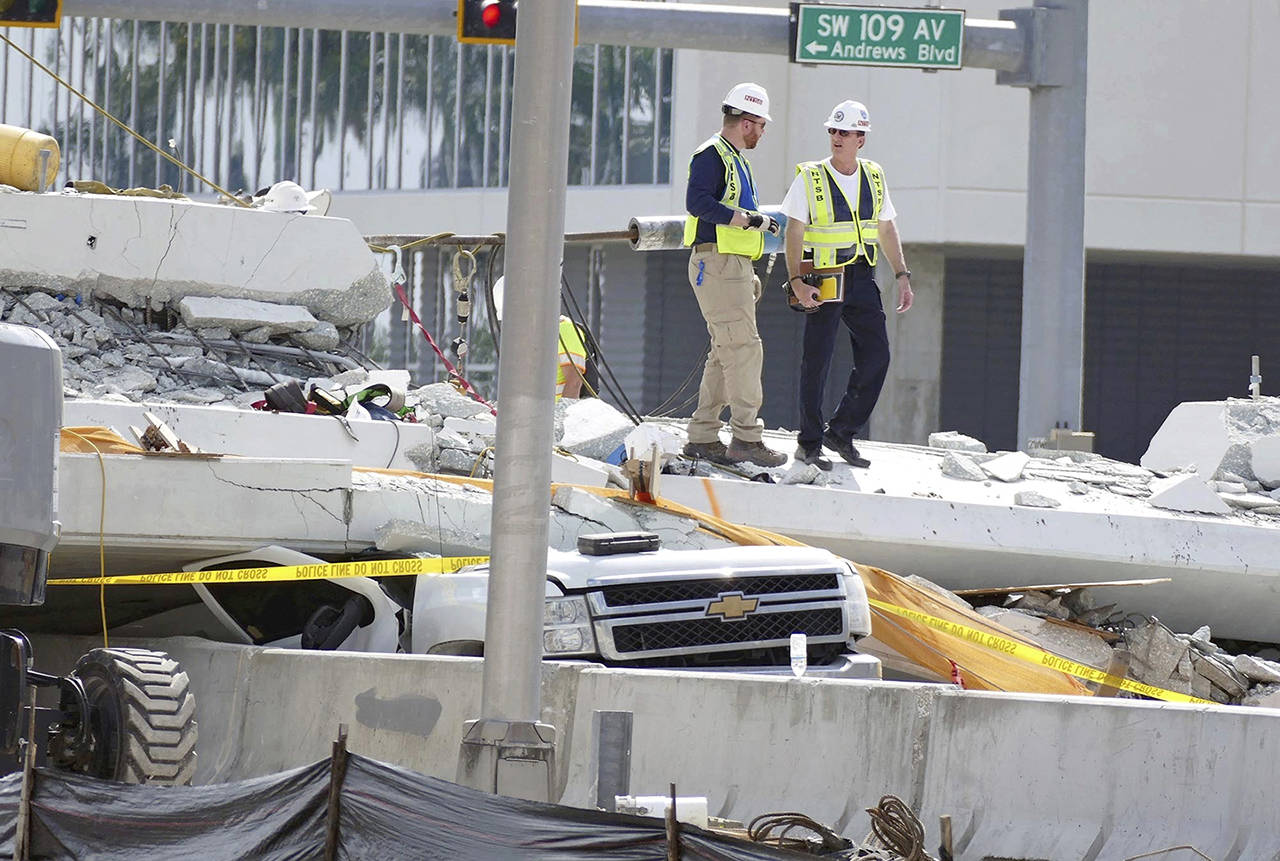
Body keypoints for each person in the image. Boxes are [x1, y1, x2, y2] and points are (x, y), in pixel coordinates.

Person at [780, 100, 913, 470]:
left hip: (860, 275)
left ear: (861, 139)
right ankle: (809, 444)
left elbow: (886, 228)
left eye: (845, 132)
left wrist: (902, 275)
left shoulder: (874, 175)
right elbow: (795, 230)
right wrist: (795, 281)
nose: (837, 138)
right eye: (833, 131)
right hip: (822, 277)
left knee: (877, 356)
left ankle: (841, 431)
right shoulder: (810, 178)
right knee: (817, 361)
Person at [680, 82, 786, 468]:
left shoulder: (733, 157)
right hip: (718, 263)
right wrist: (747, 219)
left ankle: (703, 436)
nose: (762, 132)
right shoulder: (713, 155)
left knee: (724, 352)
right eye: (760, 124)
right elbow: (697, 202)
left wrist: (747, 264)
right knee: (743, 350)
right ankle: (745, 438)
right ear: (746, 122)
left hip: (729, 265)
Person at [491, 276, 590, 400]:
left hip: (554, 417)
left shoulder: (565, 330)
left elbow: (574, 383)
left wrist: (561, 418)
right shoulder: (534, 338)